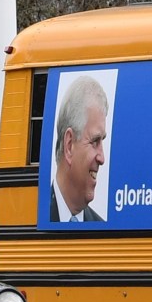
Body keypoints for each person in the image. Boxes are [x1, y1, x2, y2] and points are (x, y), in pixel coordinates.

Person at [51, 75, 109, 222]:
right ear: (69, 145)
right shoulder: (30, 219)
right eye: (95, 141)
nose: (102, 158)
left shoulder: (100, 227)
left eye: (102, 141)